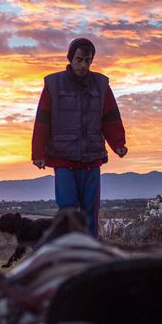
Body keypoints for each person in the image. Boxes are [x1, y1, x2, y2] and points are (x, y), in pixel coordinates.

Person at [31, 37, 127, 238]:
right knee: (68, 210)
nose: (84, 65)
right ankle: (70, 251)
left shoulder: (101, 84)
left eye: (88, 61)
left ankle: (89, 254)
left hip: (91, 159)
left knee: (91, 210)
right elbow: (42, 120)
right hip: (63, 158)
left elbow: (110, 116)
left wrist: (118, 143)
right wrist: (38, 154)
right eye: (80, 60)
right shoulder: (53, 84)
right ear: (70, 58)